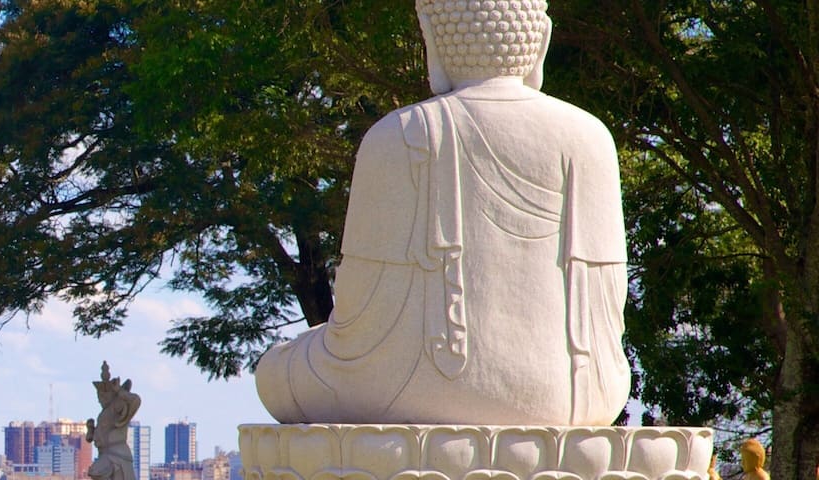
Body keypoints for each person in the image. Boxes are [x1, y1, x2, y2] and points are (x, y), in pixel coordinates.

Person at [255, 0, 629, 425]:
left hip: (413, 390)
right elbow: (606, 312)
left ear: (433, 42)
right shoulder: (590, 138)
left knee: (275, 371)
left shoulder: (397, 136)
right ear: (540, 42)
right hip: (576, 396)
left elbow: (359, 319)